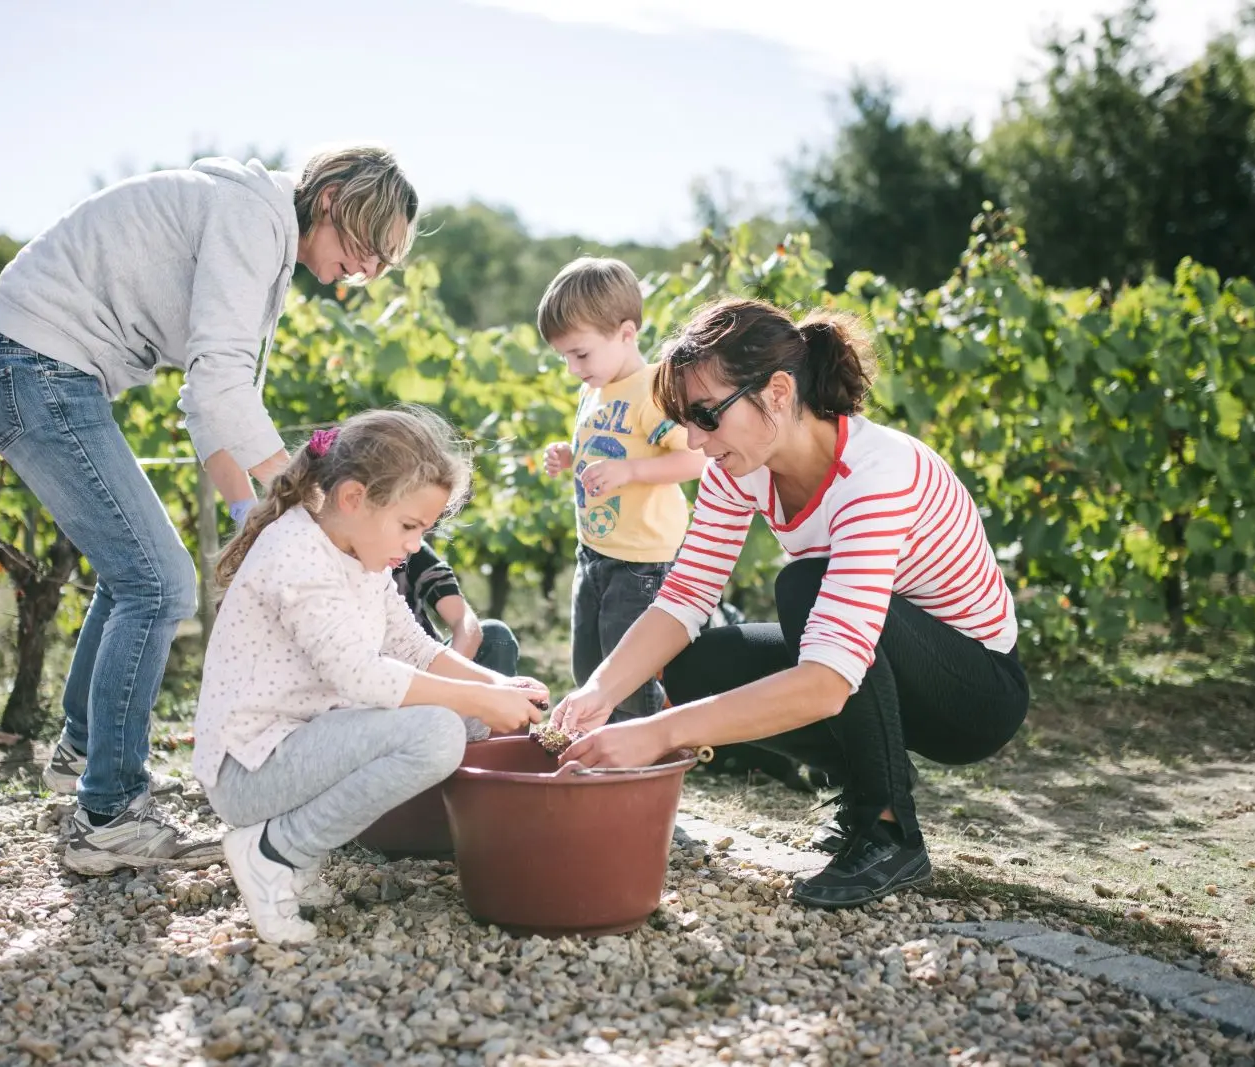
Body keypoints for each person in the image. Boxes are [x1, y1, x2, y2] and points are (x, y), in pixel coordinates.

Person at [0, 145, 420, 875]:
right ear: (328, 199)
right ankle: (107, 815)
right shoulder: (251, 218)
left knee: (133, 572)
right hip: (32, 365)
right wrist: (304, 502)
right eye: (364, 247)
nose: (362, 272)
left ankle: (83, 750)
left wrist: (253, 512)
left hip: (32, 366)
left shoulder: (262, 246)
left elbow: (210, 408)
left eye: (377, 264)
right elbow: (220, 395)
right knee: (161, 583)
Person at [551, 299, 1030, 908]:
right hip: (879, 668)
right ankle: (866, 778)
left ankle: (887, 832)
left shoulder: (875, 474)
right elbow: (688, 594)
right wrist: (602, 690)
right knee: (695, 663)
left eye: (705, 415)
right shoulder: (739, 465)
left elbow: (828, 682)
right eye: (684, 420)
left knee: (804, 585)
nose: (695, 440)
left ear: (777, 392)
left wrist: (655, 734)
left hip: (974, 692)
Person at [192, 409, 550, 943]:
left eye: (423, 531)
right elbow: (360, 676)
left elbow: (410, 646)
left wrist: (496, 688)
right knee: (440, 732)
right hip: (250, 769)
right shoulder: (297, 555)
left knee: (473, 722)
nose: (413, 545)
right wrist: (477, 699)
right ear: (353, 498)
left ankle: (299, 856)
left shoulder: (359, 554)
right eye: (409, 527)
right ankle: (275, 852)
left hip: (305, 744)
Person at [537, 257, 707, 721]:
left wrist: (630, 472)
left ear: (626, 333)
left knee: (625, 674)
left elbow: (696, 458)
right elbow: (605, 449)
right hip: (592, 552)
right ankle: (600, 746)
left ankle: (636, 757)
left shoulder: (653, 391)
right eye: (565, 357)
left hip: (641, 562)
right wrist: (571, 458)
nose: (573, 368)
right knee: (587, 665)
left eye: (581, 354)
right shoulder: (594, 389)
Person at [393, 545, 521, 677]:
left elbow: (464, 619)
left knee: (495, 634)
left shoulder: (411, 548)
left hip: (431, 665)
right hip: (386, 679)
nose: (413, 542)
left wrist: (448, 671)